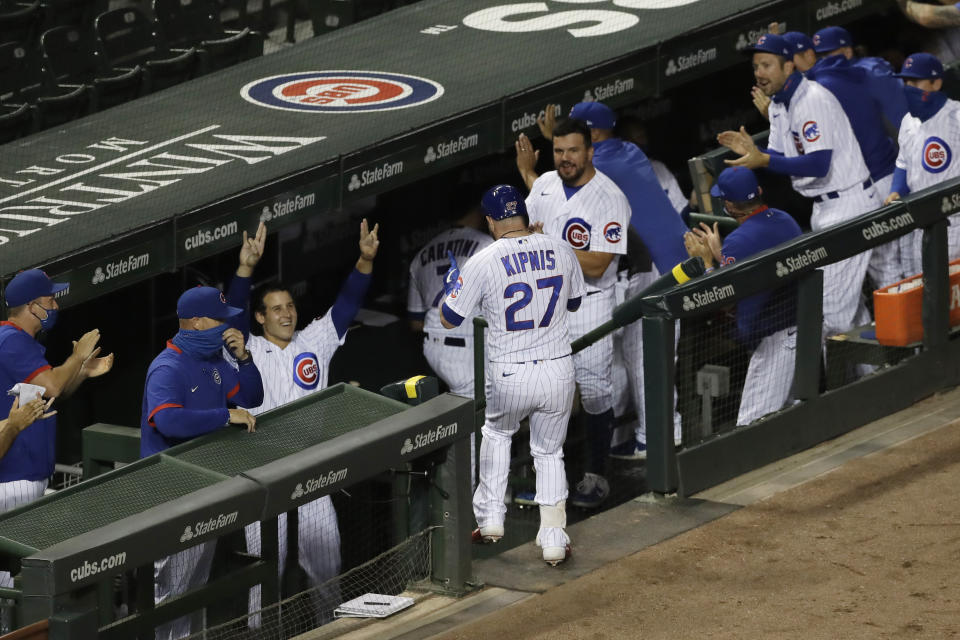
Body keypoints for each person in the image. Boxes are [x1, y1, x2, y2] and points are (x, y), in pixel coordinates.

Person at [233, 219, 380, 625]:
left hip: (313, 472)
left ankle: (328, 631)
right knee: (263, 576)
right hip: (264, 473)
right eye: (276, 309)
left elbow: (348, 303)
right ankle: (259, 635)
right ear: (260, 317)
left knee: (326, 565)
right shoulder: (249, 349)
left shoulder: (313, 340)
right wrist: (245, 269)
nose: (286, 314)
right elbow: (231, 314)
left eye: (290, 306)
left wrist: (365, 260)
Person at [438, 184, 585, 566]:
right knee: (550, 453)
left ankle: (490, 520)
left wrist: (454, 286)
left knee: (497, 434)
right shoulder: (560, 247)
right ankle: (553, 539)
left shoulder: (483, 260)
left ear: (490, 220)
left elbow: (449, 318)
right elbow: (574, 302)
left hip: (510, 373)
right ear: (522, 213)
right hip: (557, 368)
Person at [718, 33, 880, 340]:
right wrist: (756, 152)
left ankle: (851, 385)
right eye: (756, 67)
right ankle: (873, 371)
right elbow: (778, 155)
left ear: (789, 66)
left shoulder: (813, 100)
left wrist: (763, 160)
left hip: (850, 203)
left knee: (831, 310)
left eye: (766, 65)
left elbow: (818, 164)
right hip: (825, 207)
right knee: (850, 307)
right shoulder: (779, 105)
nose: (759, 73)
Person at [517, 117, 630, 509]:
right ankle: (549, 482)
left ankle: (597, 475)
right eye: (559, 151)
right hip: (549, 303)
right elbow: (521, 230)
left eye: (573, 151)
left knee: (596, 390)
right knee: (546, 390)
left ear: (590, 151)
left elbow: (598, 263)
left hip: (591, 303)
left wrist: (548, 244)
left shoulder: (609, 198)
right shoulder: (546, 183)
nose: (565, 158)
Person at [141, 282, 263, 640]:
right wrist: (224, 417)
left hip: (203, 487)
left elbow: (252, 397)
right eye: (219, 321)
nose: (227, 328)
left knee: (192, 594)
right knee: (171, 597)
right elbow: (167, 420)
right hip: (171, 494)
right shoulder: (167, 367)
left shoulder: (214, 361)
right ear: (195, 323)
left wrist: (244, 359)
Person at [758, 30, 904, 287]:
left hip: (864, 188)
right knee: (891, 270)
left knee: (886, 271)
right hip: (882, 179)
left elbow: (816, 150)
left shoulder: (816, 91)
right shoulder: (846, 73)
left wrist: (774, 114)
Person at [684, 167, 803, 426]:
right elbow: (750, 263)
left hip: (777, 341)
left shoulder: (739, 241)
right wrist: (721, 257)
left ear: (728, 205)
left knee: (750, 427)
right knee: (788, 418)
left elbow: (721, 299)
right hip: (803, 328)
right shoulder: (784, 218)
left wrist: (705, 263)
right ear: (759, 192)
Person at [0, 268, 112, 511]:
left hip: (22, 475)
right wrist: (77, 356)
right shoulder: (12, 341)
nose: (56, 306)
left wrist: (80, 372)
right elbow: (52, 385)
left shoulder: (17, 340)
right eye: (50, 300)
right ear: (32, 307)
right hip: (15, 478)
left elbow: (47, 395)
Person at [408, 188, 493, 398]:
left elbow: (416, 323)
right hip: (469, 346)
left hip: (435, 348)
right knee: (478, 419)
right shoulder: (487, 246)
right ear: (477, 212)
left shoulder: (421, 255)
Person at [884, 52, 960, 277]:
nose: (908, 88)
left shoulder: (956, 116)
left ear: (936, 83)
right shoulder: (908, 122)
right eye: (905, 82)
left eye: (915, 82)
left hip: (955, 224)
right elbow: (903, 162)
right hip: (919, 227)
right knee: (925, 303)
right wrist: (896, 190)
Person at [811, 25, 909, 130]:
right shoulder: (823, 82)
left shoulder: (870, 73)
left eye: (827, 54)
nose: (823, 60)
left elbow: (901, 116)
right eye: (819, 56)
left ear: (847, 52)